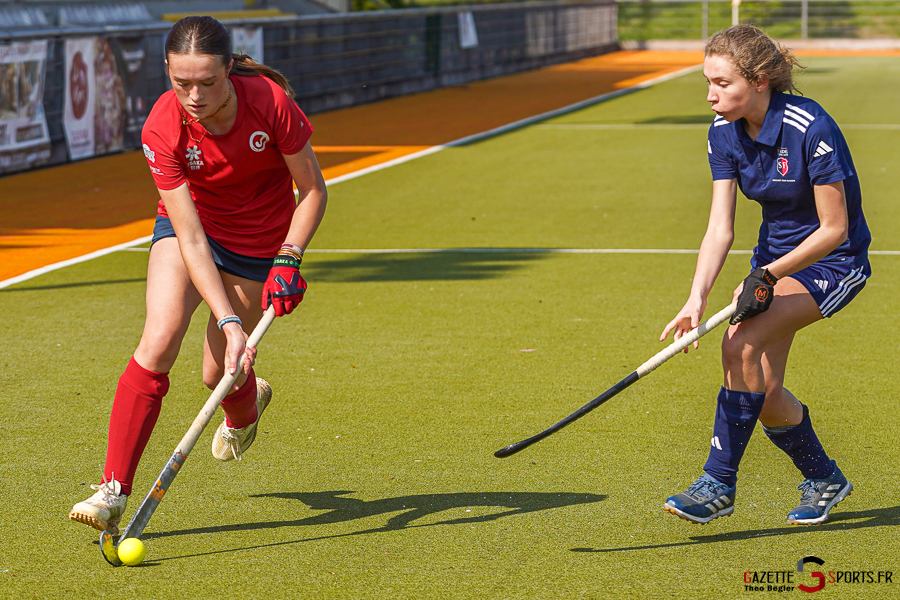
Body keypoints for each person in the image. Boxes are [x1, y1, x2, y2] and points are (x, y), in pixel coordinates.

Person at [69, 15, 327, 535]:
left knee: (218, 374)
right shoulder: (161, 127)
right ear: (166, 70)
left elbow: (314, 191)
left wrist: (290, 256)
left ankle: (245, 411)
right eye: (180, 81)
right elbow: (188, 238)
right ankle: (112, 489)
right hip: (194, 231)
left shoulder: (271, 104)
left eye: (207, 82)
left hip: (260, 246)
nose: (193, 95)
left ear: (229, 69)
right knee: (159, 339)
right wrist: (231, 320)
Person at [659, 25, 870, 525]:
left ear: (759, 81)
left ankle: (718, 482)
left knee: (740, 344)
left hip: (832, 263)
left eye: (722, 84)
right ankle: (824, 478)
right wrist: (696, 299)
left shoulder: (809, 125)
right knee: (765, 392)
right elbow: (719, 228)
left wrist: (768, 275)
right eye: (707, 83)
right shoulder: (722, 132)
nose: (711, 96)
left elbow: (835, 229)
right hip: (772, 266)